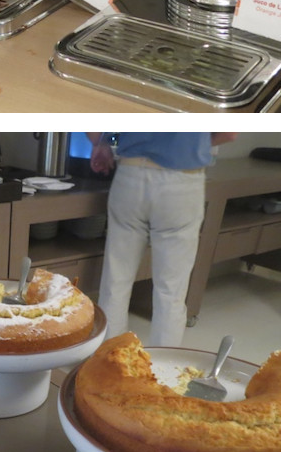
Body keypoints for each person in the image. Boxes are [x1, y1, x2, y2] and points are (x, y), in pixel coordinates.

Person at [90, 132, 233, 348]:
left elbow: (96, 129)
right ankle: (162, 364)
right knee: (171, 291)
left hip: (130, 175)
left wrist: (102, 143)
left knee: (115, 282)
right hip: (182, 180)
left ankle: (110, 360)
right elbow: (229, 133)